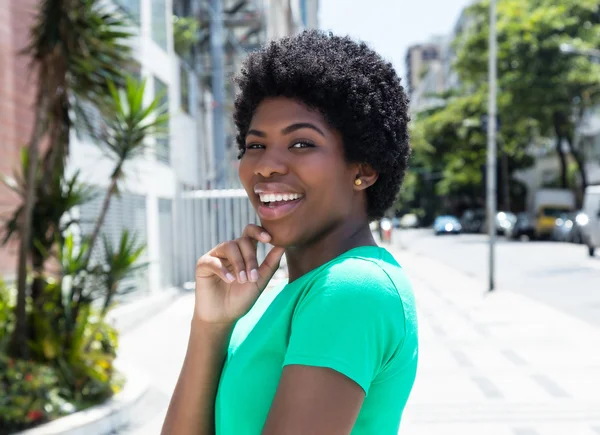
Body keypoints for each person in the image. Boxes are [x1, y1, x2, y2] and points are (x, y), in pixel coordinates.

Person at [162, 30, 418, 435]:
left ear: (364, 169)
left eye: (300, 144)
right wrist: (210, 325)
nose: (265, 166)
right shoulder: (289, 298)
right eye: (255, 145)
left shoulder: (352, 288)